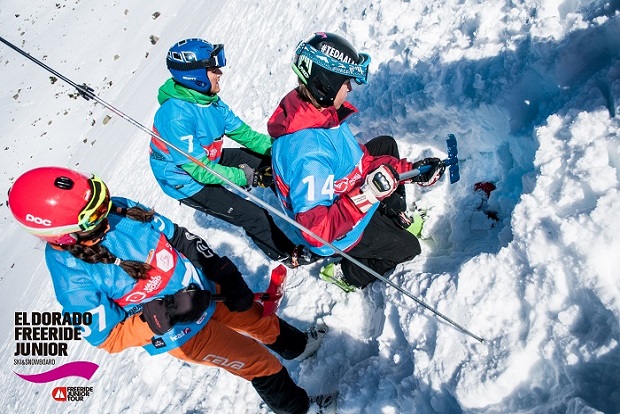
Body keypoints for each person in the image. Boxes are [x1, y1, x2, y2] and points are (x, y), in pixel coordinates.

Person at [7, 166, 336, 414]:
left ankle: (298, 347)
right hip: (183, 332)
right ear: (65, 236)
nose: (106, 218)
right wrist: (159, 315)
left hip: (204, 289)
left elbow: (177, 236)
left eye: (101, 202)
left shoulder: (118, 209)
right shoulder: (71, 278)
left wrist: (220, 269)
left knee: (257, 319)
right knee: (257, 361)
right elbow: (106, 337)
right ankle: (301, 409)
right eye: (95, 219)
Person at [268, 32, 445, 291]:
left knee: (386, 145)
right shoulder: (308, 155)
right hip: (342, 231)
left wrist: (411, 171)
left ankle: (395, 218)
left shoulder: (318, 112)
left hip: (345, 193)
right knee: (409, 248)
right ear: (326, 83)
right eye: (345, 81)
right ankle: (348, 272)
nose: (350, 88)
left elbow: (359, 161)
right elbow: (318, 234)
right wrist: (367, 196)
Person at [149, 38, 313, 268]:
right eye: (213, 68)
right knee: (253, 215)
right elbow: (200, 170)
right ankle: (288, 254)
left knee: (271, 162)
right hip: (187, 181)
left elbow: (245, 135)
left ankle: (305, 211)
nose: (219, 72)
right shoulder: (175, 117)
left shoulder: (209, 101)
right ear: (194, 75)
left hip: (209, 158)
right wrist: (248, 177)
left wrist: (284, 149)